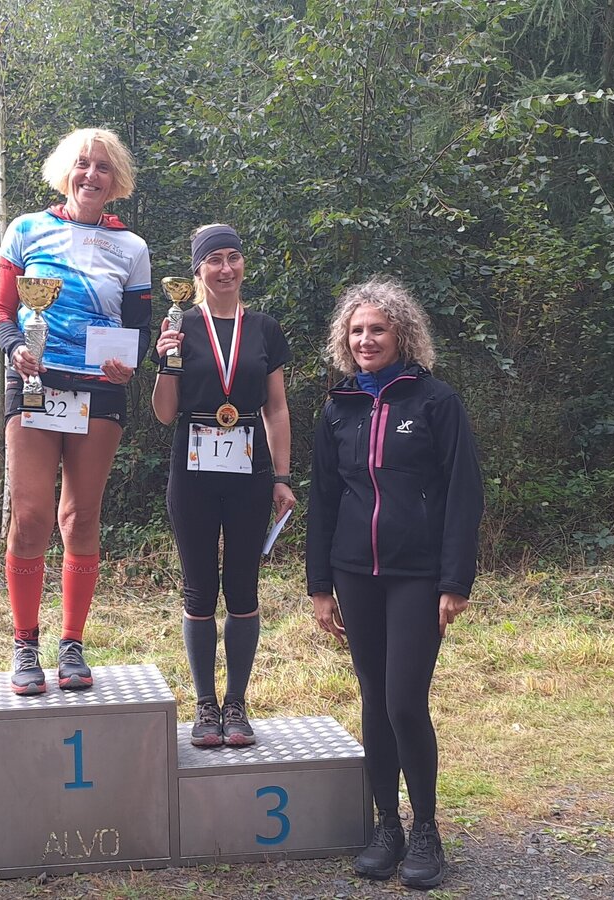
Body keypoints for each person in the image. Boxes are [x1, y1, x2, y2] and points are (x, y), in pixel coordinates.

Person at [305, 277, 483, 889]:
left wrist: (455, 580)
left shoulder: (436, 402)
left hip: (417, 574)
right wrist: (319, 585)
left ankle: (426, 829)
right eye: (356, 330)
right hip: (354, 573)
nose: (366, 340)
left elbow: (463, 494)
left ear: (401, 334)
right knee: (374, 700)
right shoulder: (339, 407)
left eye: (377, 329)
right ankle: (388, 827)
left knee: (404, 701)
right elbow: (324, 500)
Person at [0, 127, 152, 694]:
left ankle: (72, 643)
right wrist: (14, 347)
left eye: (103, 167)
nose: (91, 174)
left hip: (99, 391)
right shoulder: (26, 229)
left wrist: (130, 363)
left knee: (80, 518)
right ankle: (24, 643)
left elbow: (138, 328)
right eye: (83, 163)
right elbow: (0, 309)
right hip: (35, 383)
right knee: (31, 516)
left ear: (116, 179)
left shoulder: (131, 247)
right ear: (65, 171)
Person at [151, 224, 296, 747]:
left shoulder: (264, 329)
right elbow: (164, 413)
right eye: (214, 260)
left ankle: (236, 703)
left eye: (233, 257)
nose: (226, 268)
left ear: (243, 265)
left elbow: (276, 408)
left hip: (250, 467)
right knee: (198, 588)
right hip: (192, 467)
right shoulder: (180, 324)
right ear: (198, 270)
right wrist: (167, 362)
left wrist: (282, 476)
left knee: (242, 586)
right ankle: (205, 705)